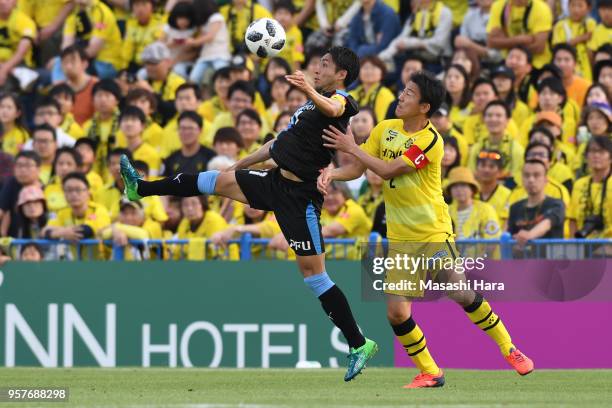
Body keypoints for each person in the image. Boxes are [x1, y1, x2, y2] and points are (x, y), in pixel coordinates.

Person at [120, 46, 379, 380]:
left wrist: (309, 91)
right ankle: (140, 188)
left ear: (341, 73)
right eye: (318, 63)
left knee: (315, 276)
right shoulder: (308, 108)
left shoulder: (343, 102)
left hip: (300, 199)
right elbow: (276, 145)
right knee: (211, 180)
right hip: (274, 182)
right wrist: (241, 164)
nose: (317, 68)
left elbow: (333, 109)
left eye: (325, 64)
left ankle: (359, 343)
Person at [320, 71, 534, 388]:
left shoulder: (431, 140)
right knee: (396, 313)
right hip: (401, 237)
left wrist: (352, 146)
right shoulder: (384, 129)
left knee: (460, 292)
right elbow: (361, 168)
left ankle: (509, 348)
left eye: (408, 93)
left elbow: (390, 168)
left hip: (432, 232)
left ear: (424, 106)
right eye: (402, 90)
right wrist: (331, 175)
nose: (401, 96)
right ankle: (430, 371)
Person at [508, 159, 566, 256]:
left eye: (536, 175)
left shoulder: (557, 204)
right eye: (526, 175)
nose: (531, 180)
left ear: (545, 180)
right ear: (522, 179)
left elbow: (547, 223)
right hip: (522, 265)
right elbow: (510, 237)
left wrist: (530, 235)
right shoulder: (515, 207)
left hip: (551, 264)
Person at [56, 0, 123, 81]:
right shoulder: (74, 12)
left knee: (71, 67)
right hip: (84, 58)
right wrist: (66, 60)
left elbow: (92, 51)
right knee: (59, 63)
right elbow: (66, 46)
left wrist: (72, 62)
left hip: (105, 63)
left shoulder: (101, 12)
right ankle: (60, 89)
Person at [445, 166, 502, 257]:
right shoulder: (445, 211)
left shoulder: (486, 209)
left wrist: (480, 261)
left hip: (484, 265)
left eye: (463, 185)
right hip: (454, 266)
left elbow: (493, 241)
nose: (459, 190)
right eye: (455, 186)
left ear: (472, 189)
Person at [379, 0, 453, 69]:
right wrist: (384, 55)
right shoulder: (416, 12)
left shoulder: (445, 12)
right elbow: (402, 38)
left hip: (438, 60)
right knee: (391, 66)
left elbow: (439, 43)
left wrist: (413, 43)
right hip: (416, 57)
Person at [468, 100, 525, 187]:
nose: (493, 119)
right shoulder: (476, 148)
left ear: (507, 120)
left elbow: (517, 179)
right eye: (489, 115)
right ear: (484, 119)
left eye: (498, 116)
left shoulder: (517, 150)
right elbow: (471, 175)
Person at [486, 0, 553, 69]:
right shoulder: (499, 5)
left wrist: (505, 41)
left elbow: (539, 47)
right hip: (508, 61)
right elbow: (491, 43)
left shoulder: (541, 8)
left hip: (537, 63)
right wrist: (521, 40)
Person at [569, 136, 612, 239]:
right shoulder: (579, 184)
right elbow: (573, 219)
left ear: (610, 158)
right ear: (586, 157)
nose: (596, 155)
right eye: (592, 151)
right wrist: (573, 246)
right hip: (583, 247)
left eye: (601, 152)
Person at [187, 0, 231, 86]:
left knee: (223, 76)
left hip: (219, 54)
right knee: (193, 78)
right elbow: (202, 36)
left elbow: (210, 36)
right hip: (206, 56)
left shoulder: (216, 17)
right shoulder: (204, 22)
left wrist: (193, 42)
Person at [552, 0, 596, 82]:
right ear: (568, 6)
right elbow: (558, 48)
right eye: (573, 5)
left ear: (588, 8)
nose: (576, 10)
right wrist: (581, 38)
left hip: (585, 69)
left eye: (580, 6)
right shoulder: (560, 25)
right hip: (566, 69)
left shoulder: (591, 24)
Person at [162, 111, 216, 176]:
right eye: (183, 128)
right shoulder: (170, 159)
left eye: (190, 128)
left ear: (200, 130)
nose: (186, 132)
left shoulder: (211, 157)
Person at [0, 151, 41, 237]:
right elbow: (2, 210)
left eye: (28, 166)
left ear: (38, 169)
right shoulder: (12, 183)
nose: (23, 170)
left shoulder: (45, 190)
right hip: (14, 241)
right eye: (19, 166)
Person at [0, 0, 37, 89]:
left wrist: (4, 70)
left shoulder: (25, 21)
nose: (2, 2)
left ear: (15, 2)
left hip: (19, 65)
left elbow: (21, 53)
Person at [58, 45, 98, 125]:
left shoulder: (97, 87)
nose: (68, 67)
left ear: (85, 64)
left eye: (73, 62)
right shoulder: (58, 88)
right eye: (65, 62)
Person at [349, 56, 395, 125]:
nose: (369, 71)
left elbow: (381, 123)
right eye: (365, 68)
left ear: (382, 72)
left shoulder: (385, 95)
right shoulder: (351, 94)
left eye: (373, 68)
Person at [122, 0, 164, 75]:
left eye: (144, 4)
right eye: (136, 5)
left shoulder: (160, 23)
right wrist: (123, 69)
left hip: (152, 65)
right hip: (133, 64)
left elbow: (158, 50)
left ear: (152, 7)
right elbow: (126, 52)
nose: (140, 9)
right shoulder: (131, 23)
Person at [454, 0, 502, 64]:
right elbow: (462, 43)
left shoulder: (502, 15)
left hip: (495, 64)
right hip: (471, 61)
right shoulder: (469, 15)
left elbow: (497, 56)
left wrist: (471, 45)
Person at [119, 106, 161, 177]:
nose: (129, 123)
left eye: (133, 120)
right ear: (119, 125)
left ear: (143, 126)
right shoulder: (119, 154)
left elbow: (152, 181)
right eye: (125, 120)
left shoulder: (152, 154)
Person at [475, 149, 512, 223]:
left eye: (491, 166)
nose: (486, 170)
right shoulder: (470, 193)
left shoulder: (507, 195)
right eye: (483, 165)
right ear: (476, 169)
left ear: (500, 172)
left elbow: (506, 223)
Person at [273, 1, 306, 70]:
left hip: (288, 71)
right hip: (270, 69)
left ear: (293, 17)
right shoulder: (268, 31)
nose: (282, 17)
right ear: (274, 15)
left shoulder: (296, 33)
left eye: (286, 13)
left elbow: (297, 58)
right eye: (279, 13)